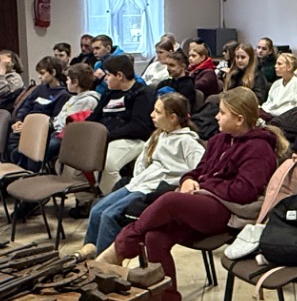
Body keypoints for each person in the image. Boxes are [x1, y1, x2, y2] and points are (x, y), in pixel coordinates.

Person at [97, 87, 285, 301]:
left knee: (170, 201)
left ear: (239, 119)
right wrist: (188, 181)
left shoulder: (259, 148)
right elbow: (197, 171)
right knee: (154, 238)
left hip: (230, 213)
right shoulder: (219, 140)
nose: (216, 117)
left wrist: (204, 185)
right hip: (204, 205)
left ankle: (119, 248)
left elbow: (243, 191)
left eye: (222, 113)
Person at [80, 91, 205, 258]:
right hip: (139, 183)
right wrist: (139, 177)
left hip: (153, 189)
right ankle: (86, 259)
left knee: (109, 216)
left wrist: (181, 183)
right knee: (96, 211)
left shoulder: (188, 142)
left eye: (158, 112)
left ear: (173, 118)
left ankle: (104, 264)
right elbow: (142, 161)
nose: (152, 115)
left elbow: (199, 169)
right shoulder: (159, 135)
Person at [95, 54, 156, 180]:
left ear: (119, 76)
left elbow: (138, 127)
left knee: (108, 164)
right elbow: (95, 117)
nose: (105, 78)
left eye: (108, 75)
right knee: (78, 156)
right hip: (106, 137)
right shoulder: (108, 93)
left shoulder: (142, 94)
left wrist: (107, 136)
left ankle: (115, 193)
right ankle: (88, 192)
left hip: (132, 139)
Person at [8, 57, 70, 154]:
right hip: (27, 125)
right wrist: (19, 120)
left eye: (42, 73)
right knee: (11, 136)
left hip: (40, 130)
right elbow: (26, 106)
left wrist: (29, 126)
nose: (39, 77)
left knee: (17, 146)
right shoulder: (39, 89)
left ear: (53, 73)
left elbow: (54, 119)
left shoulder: (63, 94)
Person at [262, 50, 297, 117]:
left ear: (289, 67)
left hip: (288, 118)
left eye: (279, 64)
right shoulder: (276, 84)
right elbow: (268, 103)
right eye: (276, 63)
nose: (275, 66)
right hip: (271, 116)